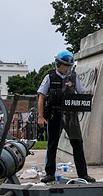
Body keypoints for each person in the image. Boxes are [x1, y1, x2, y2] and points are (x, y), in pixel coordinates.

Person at [37, 50, 95, 183]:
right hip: (54, 115)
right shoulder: (50, 77)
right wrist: (40, 117)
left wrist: (82, 104)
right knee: (52, 144)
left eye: (69, 66)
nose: (67, 68)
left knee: (77, 143)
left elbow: (82, 92)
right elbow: (41, 96)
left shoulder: (73, 77)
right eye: (65, 66)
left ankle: (83, 174)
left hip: (71, 116)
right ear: (58, 64)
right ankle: (50, 173)